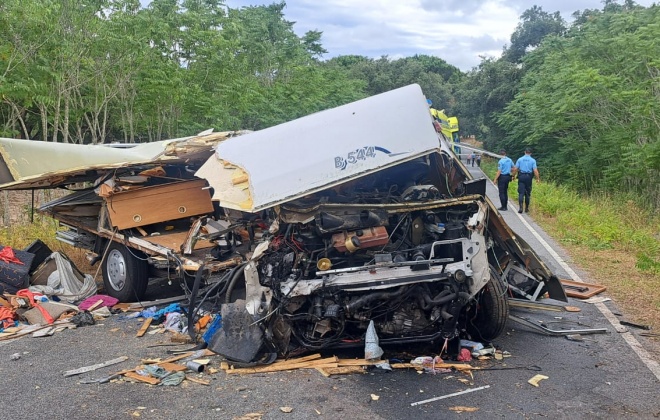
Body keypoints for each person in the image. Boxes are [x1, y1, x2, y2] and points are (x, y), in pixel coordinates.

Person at [512, 147, 540, 213]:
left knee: (521, 193)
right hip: (528, 177)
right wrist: (537, 179)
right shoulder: (533, 160)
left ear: (525, 152)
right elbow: (535, 171)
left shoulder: (520, 159)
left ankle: (520, 208)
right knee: (527, 193)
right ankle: (527, 208)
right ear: (531, 153)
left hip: (521, 176)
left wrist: (513, 176)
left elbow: (515, 169)